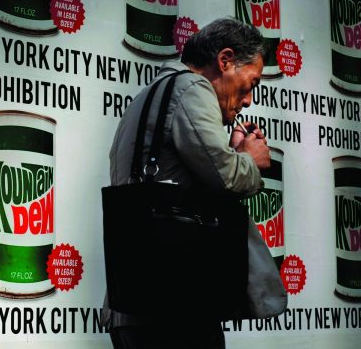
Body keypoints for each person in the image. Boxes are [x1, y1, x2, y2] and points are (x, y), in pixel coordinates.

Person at [105, 18, 287, 349]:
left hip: (132, 304)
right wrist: (250, 160)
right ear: (226, 60)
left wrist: (231, 151)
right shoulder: (192, 88)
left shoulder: (146, 97)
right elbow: (227, 177)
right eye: (251, 84)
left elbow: (183, 175)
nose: (247, 100)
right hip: (176, 308)